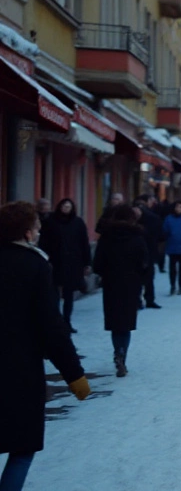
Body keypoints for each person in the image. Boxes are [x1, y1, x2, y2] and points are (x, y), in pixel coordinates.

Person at [0, 202, 91, 491]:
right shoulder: (34, 265)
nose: (40, 232)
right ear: (27, 234)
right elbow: (51, 327)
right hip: (18, 370)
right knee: (22, 448)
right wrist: (74, 375)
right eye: (38, 227)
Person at [92, 205, 149, 377]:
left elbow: (98, 263)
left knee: (115, 322)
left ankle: (117, 351)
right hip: (131, 284)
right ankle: (123, 354)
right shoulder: (137, 237)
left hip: (111, 283)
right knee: (127, 323)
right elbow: (144, 262)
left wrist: (105, 273)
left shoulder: (106, 237)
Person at [38, 199, 92, 333]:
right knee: (54, 292)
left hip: (73, 262)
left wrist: (87, 262)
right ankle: (55, 321)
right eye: (64, 206)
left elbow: (84, 243)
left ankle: (66, 321)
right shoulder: (51, 222)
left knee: (69, 294)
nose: (66, 209)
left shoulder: (78, 222)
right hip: (55, 261)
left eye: (69, 207)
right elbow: (44, 242)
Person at [134, 195, 163, 309]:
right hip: (148, 250)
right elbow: (160, 235)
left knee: (143, 277)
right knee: (147, 277)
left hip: (144, 250)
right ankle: (147, 299)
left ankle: (140, 300)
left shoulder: (152, 217)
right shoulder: (153, 217)